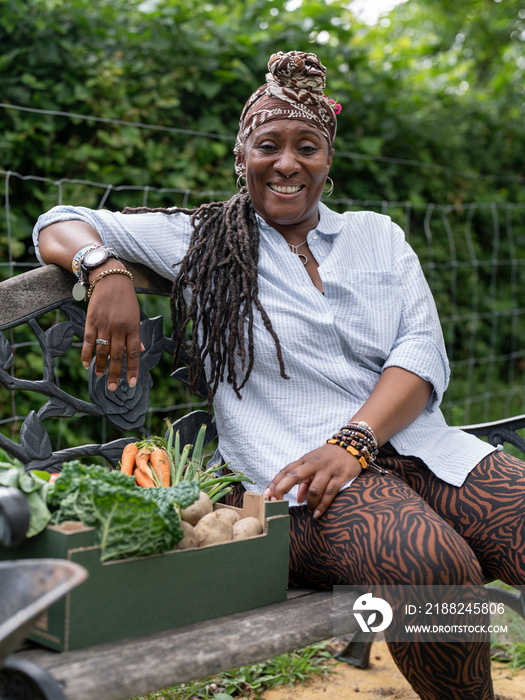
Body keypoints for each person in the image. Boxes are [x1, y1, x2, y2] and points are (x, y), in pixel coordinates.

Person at [34, 51, 524, 699]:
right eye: (268, 145)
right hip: (296, 491)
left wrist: (354, 442)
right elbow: (59, 222)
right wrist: (105, 267)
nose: (287, 162)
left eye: (307, 146)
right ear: (242, 157)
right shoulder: (200, 241)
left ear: (327, 159)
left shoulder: (377, 237)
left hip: (424, 453)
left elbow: (420, 352)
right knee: (428, 562)